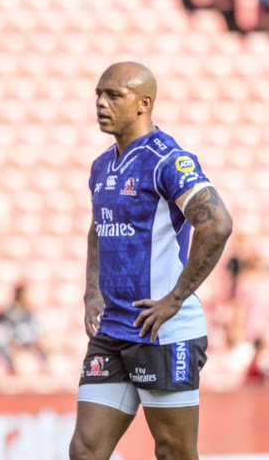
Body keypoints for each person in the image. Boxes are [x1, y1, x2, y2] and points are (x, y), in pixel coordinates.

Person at [68, 62, 233, 460]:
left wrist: (175, 298)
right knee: (86, 450)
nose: (101, 103)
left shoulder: (168, 160)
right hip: (112, 330)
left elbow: (218, 224)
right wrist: (92, 291)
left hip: (162, 329)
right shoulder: (102, 165)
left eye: (113, 95)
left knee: (173, 452)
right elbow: (98, 228)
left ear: (144, 103)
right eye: (98, 94)